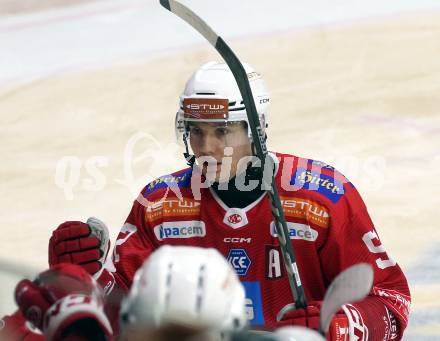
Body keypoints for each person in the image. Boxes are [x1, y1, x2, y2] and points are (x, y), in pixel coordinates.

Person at [1, 61, 411, 340]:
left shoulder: (323, 198)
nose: (205, 147)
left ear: (257, 128)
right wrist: (85, 276)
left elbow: (392, 303)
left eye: (221, 131)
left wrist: (340, 326)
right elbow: (121, 314)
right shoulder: (160, 204)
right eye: (195, 131)